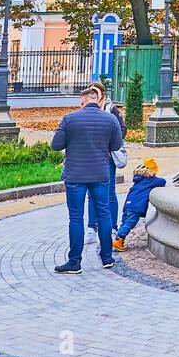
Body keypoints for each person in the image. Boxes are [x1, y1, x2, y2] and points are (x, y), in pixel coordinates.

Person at [51, 84, 123, 273]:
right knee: (104, 214)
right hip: (100, 173)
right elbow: (116, 145)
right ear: (97, 100)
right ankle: (107, 258)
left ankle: (74, 262)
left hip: (75, 175)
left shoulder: (69, 119)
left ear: (82, 101)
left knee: (75, 217)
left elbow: (56, 145)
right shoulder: (110, 120)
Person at [87, 88, 124, 244]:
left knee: (109, 192)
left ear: (102, 94)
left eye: (95, 94)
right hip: (92, 157)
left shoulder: (111, 109)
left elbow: (122, 130)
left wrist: (110, 145)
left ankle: (113, 227)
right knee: (92, 193)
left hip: (107, 157)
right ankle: (91, 228)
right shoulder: (87, 108)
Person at [112, 158, 167, 251]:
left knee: (125, 222)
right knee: (130, 223)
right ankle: (118, 240)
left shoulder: (138, 179)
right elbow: (162, 181)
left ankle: (119, 240)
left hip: (128, 204)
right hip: (136, 207)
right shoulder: (151, 180)